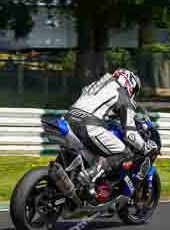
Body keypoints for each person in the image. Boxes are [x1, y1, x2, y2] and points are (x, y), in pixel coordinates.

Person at [66, 69, 158, 199]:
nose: (133, 94)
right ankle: (89, 175)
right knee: (125, 154)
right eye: (134, 90)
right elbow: (130, 135)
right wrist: (144, 147)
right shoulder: (123, 94)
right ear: (130, 84)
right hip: (88, 126)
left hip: (69, 119)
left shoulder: (97, 84)